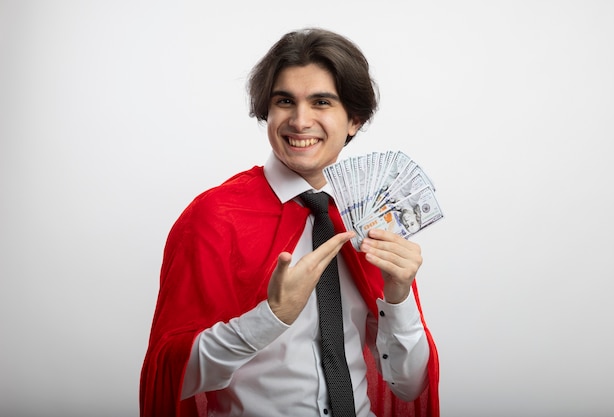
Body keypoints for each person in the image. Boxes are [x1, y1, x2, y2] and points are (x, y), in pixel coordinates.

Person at [140, 28, 439, 417]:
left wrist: (399, 296)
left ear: (354, 120)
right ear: (267, 110)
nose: (300, 121)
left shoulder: (370, 219)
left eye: (321, 102)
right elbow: (170, 373)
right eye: (285, 101)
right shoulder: (215, 216)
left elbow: (409, 384)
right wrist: (272, 317)